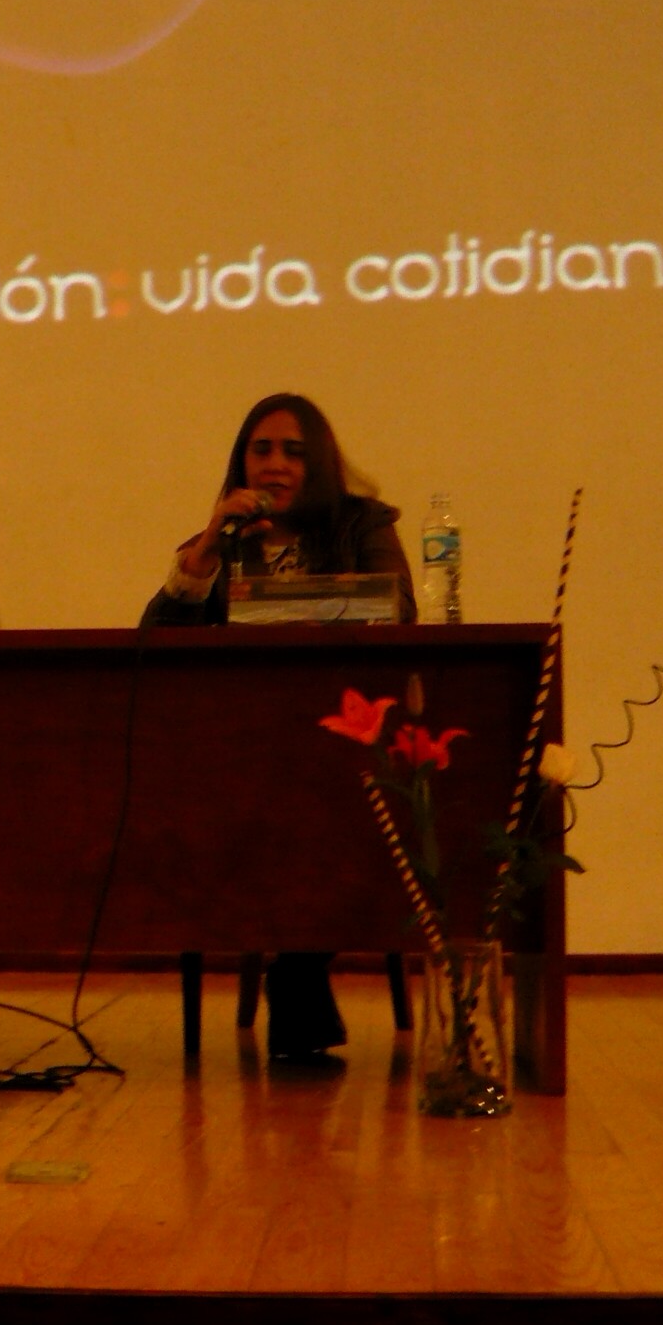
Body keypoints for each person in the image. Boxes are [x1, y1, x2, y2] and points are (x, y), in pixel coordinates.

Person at [148, 393, 417, 1063]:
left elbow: (397, 613)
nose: (275, 465)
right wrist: (207, 548)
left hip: (345, 744)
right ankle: (296, 975)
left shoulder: (363, 525)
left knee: (324, 797)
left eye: (293, 453)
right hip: (245, 753)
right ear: (241, 462)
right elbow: (155, 643)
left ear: (319, 462)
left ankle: (295, 970)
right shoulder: (220, 545)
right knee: (269, 797)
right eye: (261, 450)